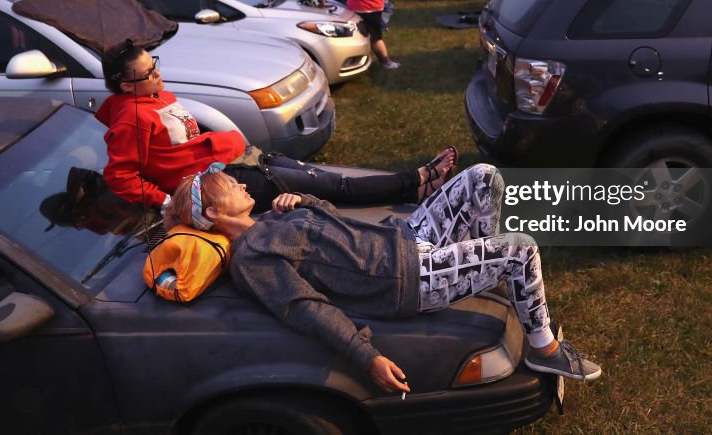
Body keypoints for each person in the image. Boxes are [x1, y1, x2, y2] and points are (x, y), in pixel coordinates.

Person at [166, 162, 603, 393]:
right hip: (405, 277)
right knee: (520, 249)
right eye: (230, 186)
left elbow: (339, 227)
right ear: (214, 214)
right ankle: (544, 349)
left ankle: (483, 270)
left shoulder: (269, 219)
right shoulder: (252, 257)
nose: (243, 185)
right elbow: (305, 309)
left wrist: (306, 199)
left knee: (483, 177)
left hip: (405, 237)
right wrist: (366, 356)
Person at [94, 42, 455, 211]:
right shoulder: (131, 117)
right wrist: (168, 202)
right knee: (333, 186)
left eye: (154, 64)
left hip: (241, 160)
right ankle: (416, 181)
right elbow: (119, 175)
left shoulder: (155, 97)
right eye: (149, 72)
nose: (159, 73)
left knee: (320, 175)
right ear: (126, 86)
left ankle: (415, 189)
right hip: (225, 183)